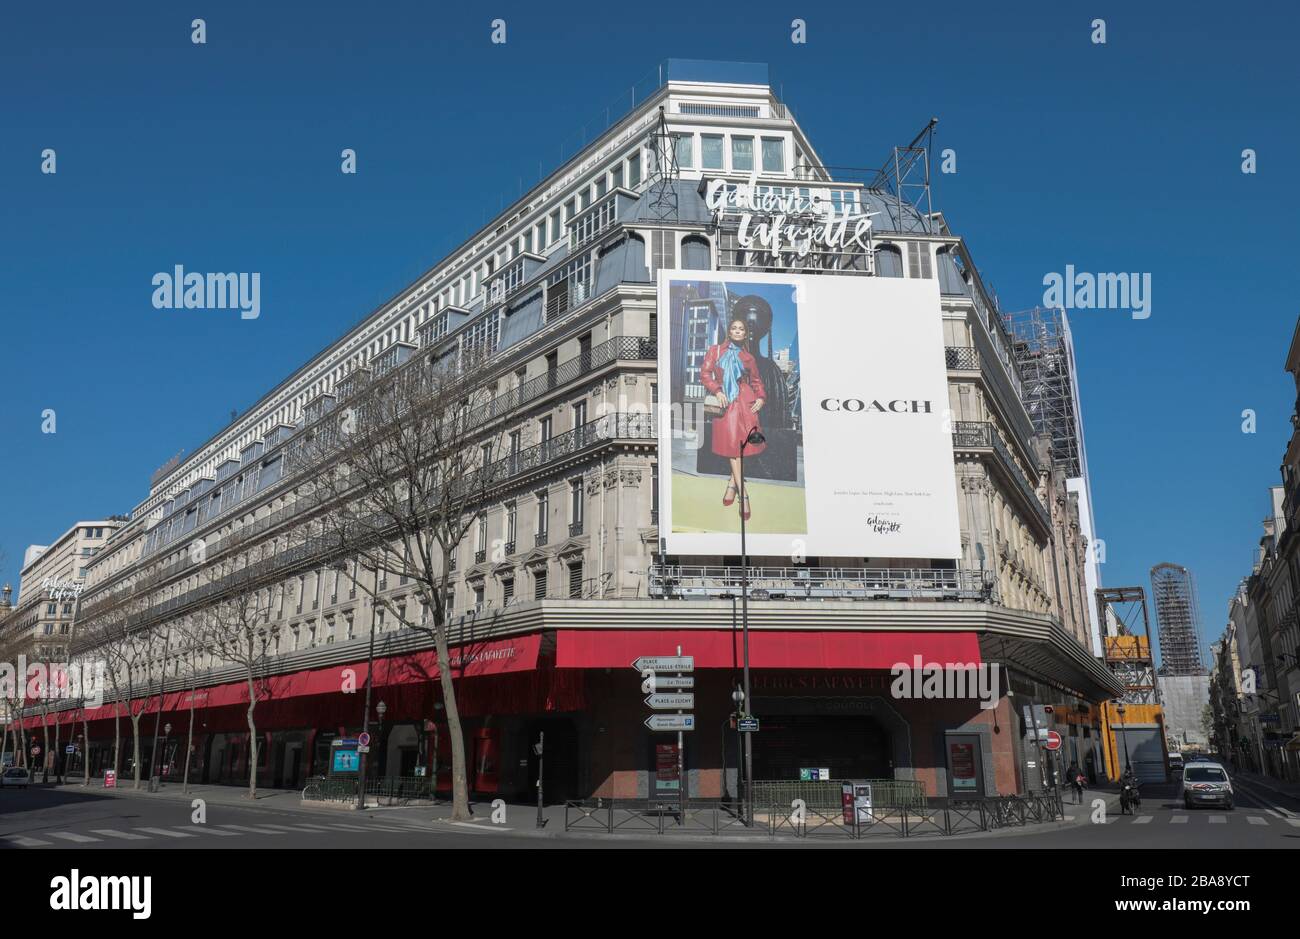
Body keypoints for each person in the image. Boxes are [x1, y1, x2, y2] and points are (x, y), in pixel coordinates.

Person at [699, 317, 767, 521]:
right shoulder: (715, 350)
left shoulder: (749, 358)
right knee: (733, 447)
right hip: (725, 402)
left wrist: (762, 398)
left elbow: (756, 381)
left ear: (745, 334)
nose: (737, 331)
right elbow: (705, 374)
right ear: (729, 332)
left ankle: (732, 484)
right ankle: (743, 493)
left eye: (741, 329)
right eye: (734, 328)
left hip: (745, 401)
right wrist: (717, 390)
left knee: (742, 447)